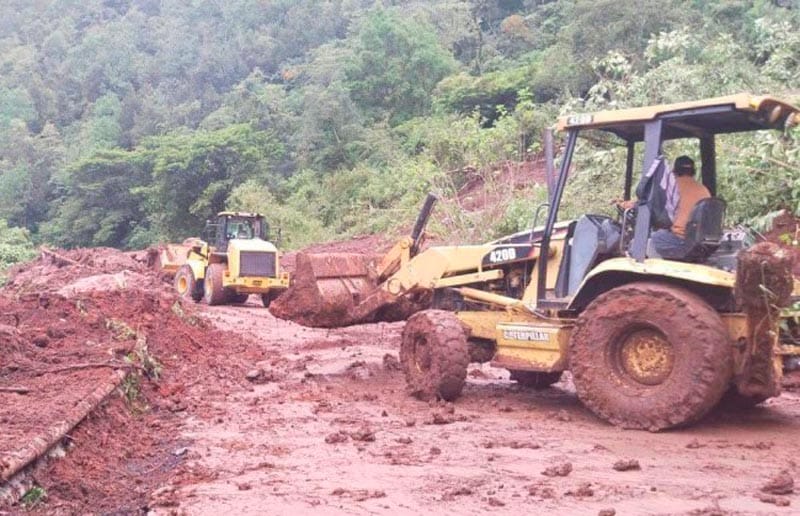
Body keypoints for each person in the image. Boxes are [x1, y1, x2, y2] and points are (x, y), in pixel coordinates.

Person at [650, 155, 710, 259]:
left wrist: (626, 204)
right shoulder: (704, 189)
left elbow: (651, 203)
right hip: (700, 240)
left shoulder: (673, 187)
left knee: (653, 238)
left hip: (681, 239)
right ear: (693, 171)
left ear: (675, 170)